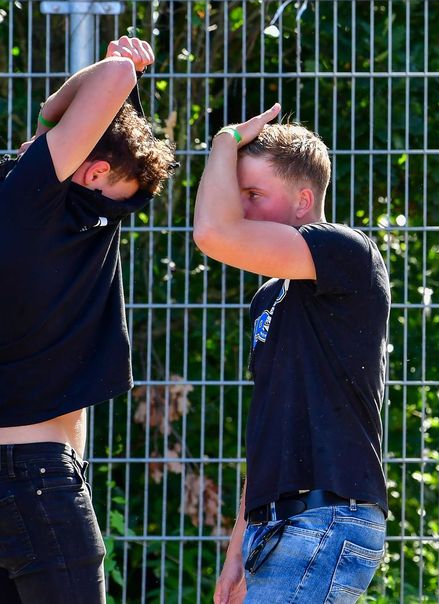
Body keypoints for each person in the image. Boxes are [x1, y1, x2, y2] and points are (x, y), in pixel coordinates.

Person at [0, 35, 175, 603]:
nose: (116, 217)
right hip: (36, 478)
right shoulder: (33, 199)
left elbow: (53, 111)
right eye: (116, 202)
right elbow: (109, 87)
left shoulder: (27, 199)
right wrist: (125, 61)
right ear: (93, 172)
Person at [197, 106, 390, 604]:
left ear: (304, 200)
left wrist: (224, 141)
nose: (239, 208)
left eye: (253, 195)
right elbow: (271, 428)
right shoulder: (269, 297)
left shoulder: (347, 251)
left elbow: (213, 234)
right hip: (278, 524)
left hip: (325, 517)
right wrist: (238, 545)